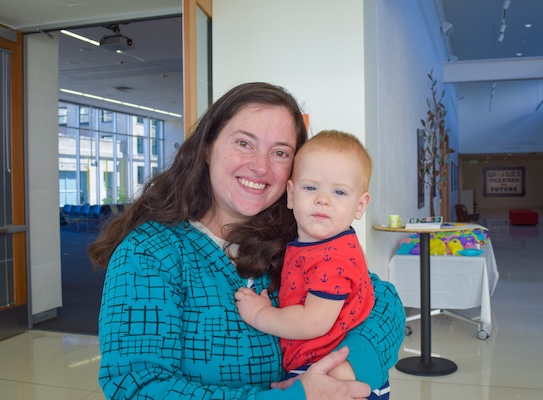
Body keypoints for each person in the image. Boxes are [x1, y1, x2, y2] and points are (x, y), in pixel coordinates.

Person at [88, 82, 405, 400]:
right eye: (244, 143)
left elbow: (384, 302)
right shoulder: (151, 252)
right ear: (208, 147)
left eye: (280, 152)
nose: (260, 166)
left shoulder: (297, 237)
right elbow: (136, 386)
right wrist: (293, 397)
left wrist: (343, 373)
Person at [235, 130, 389, 399]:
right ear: (291, 194)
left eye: (339, 192)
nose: (323, 199)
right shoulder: (317, 244)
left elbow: (313, 321)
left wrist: (261, 314)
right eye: (310, 187)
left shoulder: (332, 258)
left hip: (325, 372)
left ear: (360, 205)